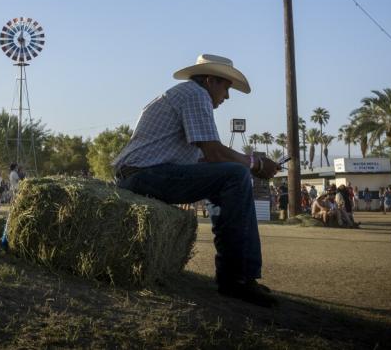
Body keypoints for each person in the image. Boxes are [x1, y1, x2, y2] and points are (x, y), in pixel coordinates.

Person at [112, 54, 280, 307]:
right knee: (235, 175)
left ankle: (237, 276)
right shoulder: (195, 94)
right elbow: (213, 152)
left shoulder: (186, 94)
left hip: (142, 174)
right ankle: (237, 277)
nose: (227, 96)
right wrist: (254, 163)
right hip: (144, 175)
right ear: (211, 80)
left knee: (230, 174)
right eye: (226, 87)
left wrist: (246, 164)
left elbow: (209, 159)